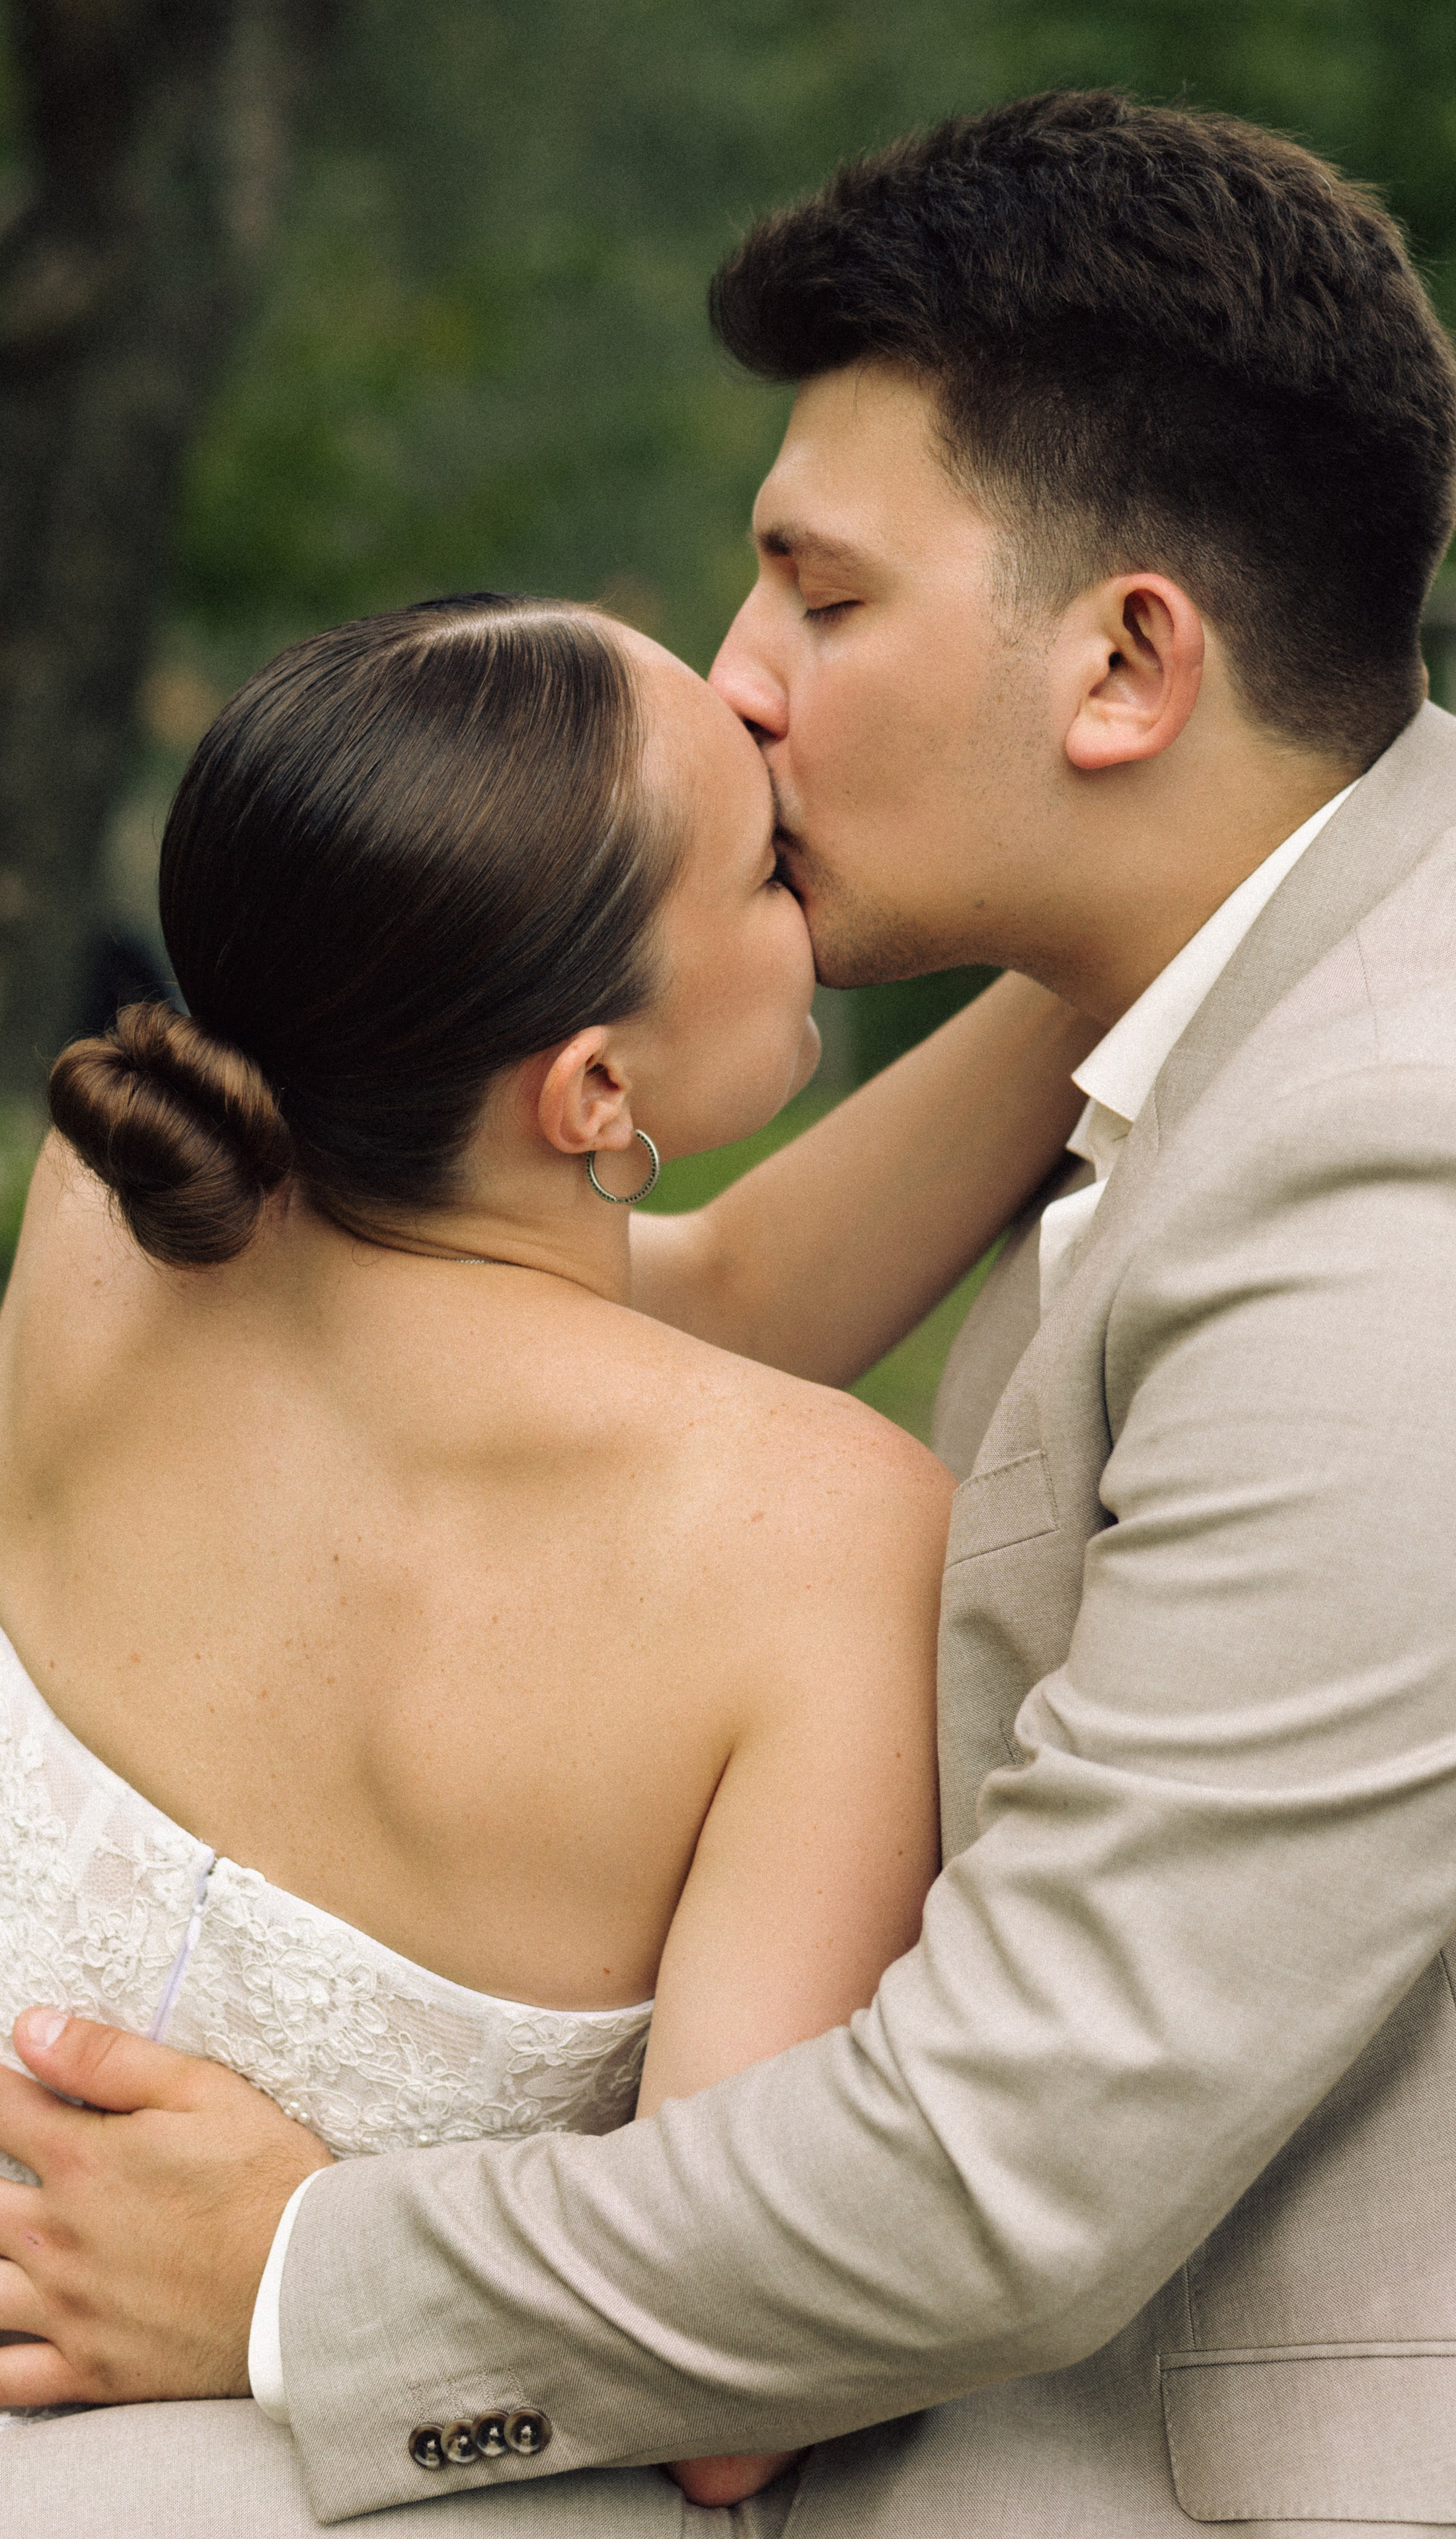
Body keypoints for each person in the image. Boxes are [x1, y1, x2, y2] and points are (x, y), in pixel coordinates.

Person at [3, 87, 1456, 2539]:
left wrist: (291, 2270)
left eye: (819, 591)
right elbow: (715, 1299)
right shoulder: (1256, 971)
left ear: (1127, 660)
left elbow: (1001, 2165)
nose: (743, 680)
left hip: (1184, 2465)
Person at [0, 590, 1097, 2514]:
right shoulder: (814, 1540)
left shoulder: (111, 1228)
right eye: (766, 865)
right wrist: (312, 2254)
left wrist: (1131, 924)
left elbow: (731, 1288)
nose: (799, 809)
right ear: (596, 1091)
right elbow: (742, 2380)